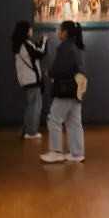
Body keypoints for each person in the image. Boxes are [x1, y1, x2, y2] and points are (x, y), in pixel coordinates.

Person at [40, 20, 86, 164]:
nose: (58, 32)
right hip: (75, 90)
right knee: (74, 122)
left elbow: (60, 69)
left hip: (65, 90)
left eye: (59, 29)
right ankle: (77, 153)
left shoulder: (65, 48)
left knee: (54, 119)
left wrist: (50, 72)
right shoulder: (76, 47)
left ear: (65, 33)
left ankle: (56, 151)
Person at [12, 20, 47, 140]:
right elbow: (39, 54)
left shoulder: (19, 45)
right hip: (32, 80)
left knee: (31, 105)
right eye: (30, 28)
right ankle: (31, 132)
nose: (31, 30)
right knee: (35, 106)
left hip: (26, 80)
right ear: (26, 30)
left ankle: (26, 130)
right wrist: (44, 41)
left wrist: (40, 44)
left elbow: (35, 53)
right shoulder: (26, 44)